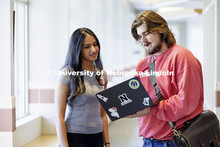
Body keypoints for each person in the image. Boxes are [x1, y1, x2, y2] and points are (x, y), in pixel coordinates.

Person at [127, 10, 204, 147]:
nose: (143, 40)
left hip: (173, 140)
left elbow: (186, 101)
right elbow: (139, 96)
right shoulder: (143, 64)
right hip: (148, 139)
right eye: (140, 36)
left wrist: (153, 110)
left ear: (161, 30)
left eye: (146, 33)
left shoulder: (182, 57)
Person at [55, 28, 110, 147]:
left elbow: (103, 114)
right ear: (78, 49)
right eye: (87, 47)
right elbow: (59, 116)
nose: (93, 50)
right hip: (74, 135)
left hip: (96, 136)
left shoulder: (102, 75)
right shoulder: (67, 74)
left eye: (95, 45)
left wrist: (107, 142)